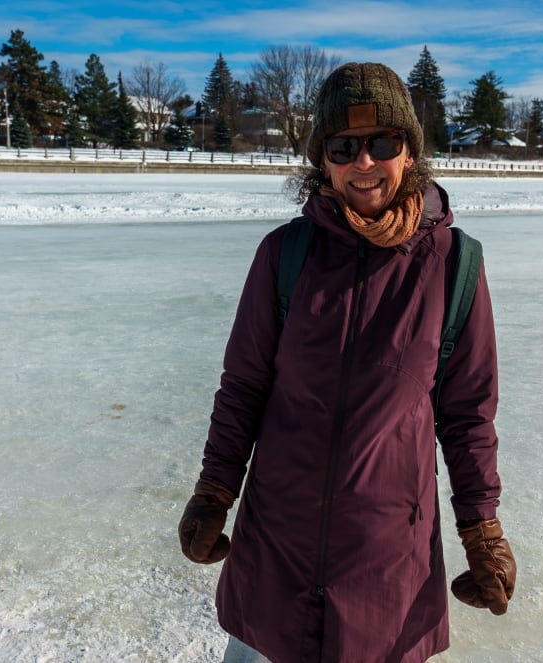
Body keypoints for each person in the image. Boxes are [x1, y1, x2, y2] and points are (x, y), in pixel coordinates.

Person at [178, 62, 516, 662]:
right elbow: (244, 389)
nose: (364, 162)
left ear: (409, 152)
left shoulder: (454, 265)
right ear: (322, 160)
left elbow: (466, 416)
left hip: (386, 556)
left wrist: (481, 529)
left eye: (383, 143)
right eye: (344, 146)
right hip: (275, 547)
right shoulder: (285, 254)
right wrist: (214, 492)